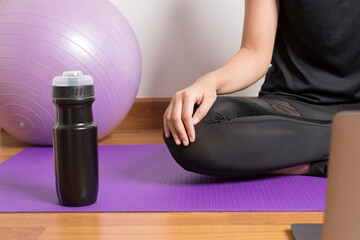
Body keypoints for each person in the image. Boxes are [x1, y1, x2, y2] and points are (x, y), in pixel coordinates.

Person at [162, 0, 360, 178]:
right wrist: (207, 83)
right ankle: (349, 146)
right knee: (187, 127)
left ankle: (315, 160)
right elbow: (254, 52)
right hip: (292, 107)